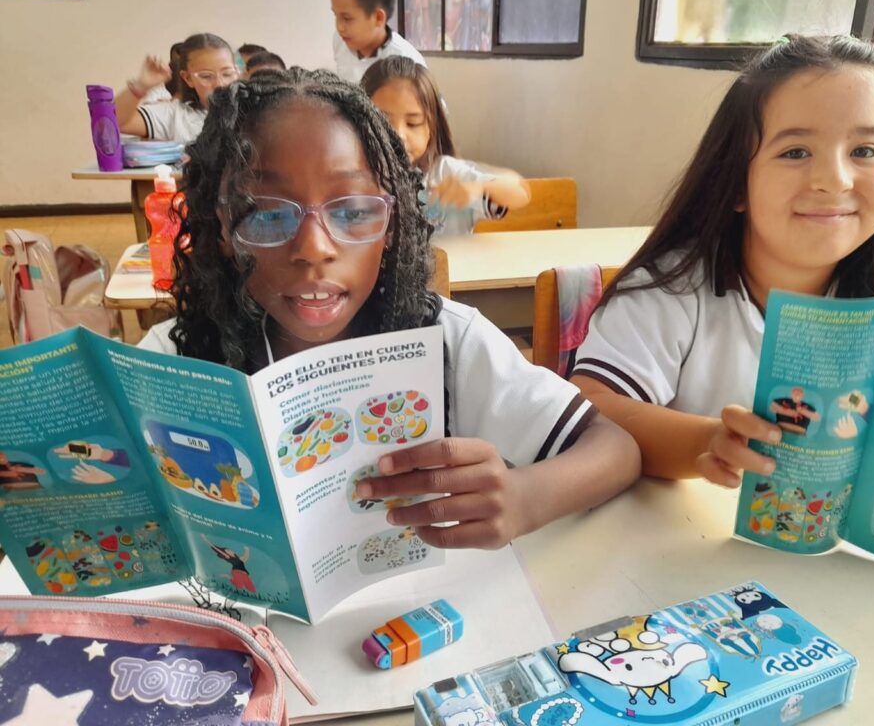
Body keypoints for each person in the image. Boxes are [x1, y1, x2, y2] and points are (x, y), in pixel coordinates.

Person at [137, 68, 640, 549]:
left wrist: (525, 497)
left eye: (353, 211)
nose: (314, 248)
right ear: (223, 229)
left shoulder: (446, 339)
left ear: (392, 223)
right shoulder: (176, 354)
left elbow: (615, 448)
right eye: (267, 214)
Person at [569, 34, 874, 491]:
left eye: (865, 151)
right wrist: (708, 442)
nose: (834, 180)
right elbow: (592, 406)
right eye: (795, 152)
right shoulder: (673, 290)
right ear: (736, 183)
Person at [362, 57, 530, 236]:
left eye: (413, 123)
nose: (398, 135)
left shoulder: (444, 174)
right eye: (383, 122)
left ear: (432, 129)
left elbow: (520, 192)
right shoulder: (353, 177)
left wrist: (479, 187)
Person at [115, 33, 239, 143]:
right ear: (188, 78)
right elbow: (115, 122)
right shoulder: (175, 116)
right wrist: (141, 86)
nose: (220, 84)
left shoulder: (249, 110)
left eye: (227, 74)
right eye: (206, 76)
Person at [326, 0, 425, 84]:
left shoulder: (407, 64)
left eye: (347, 18)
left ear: (378, 18)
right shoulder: (341, 41)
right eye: (336, 15)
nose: (339, 27)